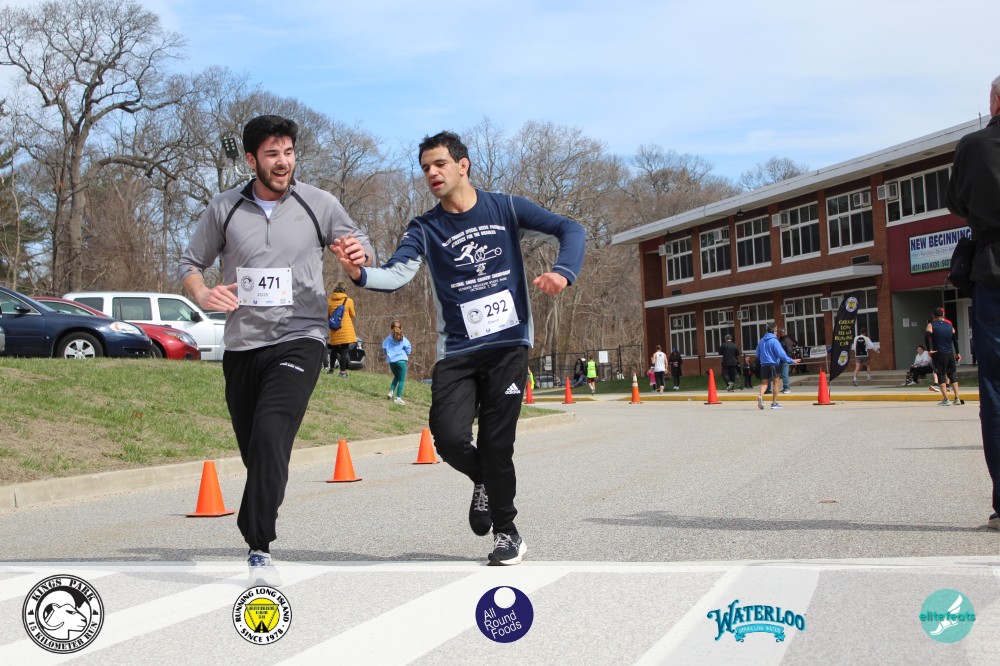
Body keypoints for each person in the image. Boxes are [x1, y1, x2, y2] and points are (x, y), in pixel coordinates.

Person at [332, 131, 585, 565]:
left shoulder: (505, 208)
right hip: (458, 352)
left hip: (507, 346)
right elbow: (396, 274)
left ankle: (507, 533)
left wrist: (563, 272)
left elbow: (570, 228)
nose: (432, 173)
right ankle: (484, 478)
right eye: (425, 168)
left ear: (463, 165)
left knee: (497, 443)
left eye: (440, 164)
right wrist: (359, 275)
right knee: (449, 438)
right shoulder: (425, 228)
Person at [178, 114, 374, 586]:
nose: (283, 162)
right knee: (258, 451)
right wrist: (203, 293)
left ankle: (258, 545)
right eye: (272, 154)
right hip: (243, 345)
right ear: (252, 160)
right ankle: (259, 526)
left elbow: (359, 243)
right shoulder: (224, 208)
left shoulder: (317, 203)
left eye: (288, 152)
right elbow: (190, 263)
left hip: (300, 337)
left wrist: (357, 256)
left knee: (270, 433)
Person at [947, 75, 1000, 529]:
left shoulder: (974, 147)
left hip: (993, 269)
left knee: (996, 389)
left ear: (995, 101)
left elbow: (956, 202)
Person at [755, 322, 800, 410]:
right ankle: (774, 403)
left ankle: (760, 396)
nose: (776, 333)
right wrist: (791, 360)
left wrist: (763, 358)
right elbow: (781, 354)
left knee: (764, 384)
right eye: (776, 331)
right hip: (774, 365)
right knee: (776, 384)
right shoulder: (775, 341)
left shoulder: (762, 340)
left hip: (764, 365)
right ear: (774, 332)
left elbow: (757, 353)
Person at [926, 307, 964, 407]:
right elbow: (954, 339)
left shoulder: (931, 325)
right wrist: (957, 353)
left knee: (941, 375)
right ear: (942, 315)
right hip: (949, 353)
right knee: (952, 375)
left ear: (933, 316)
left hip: (938, 353)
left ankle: (946, 399)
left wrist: (929, 350)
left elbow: (926, 336)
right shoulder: (949, 326)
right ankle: (957, 398)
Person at [327, 282, 358, 378]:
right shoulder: (349, 301)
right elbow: (353, 315)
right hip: (345, 330)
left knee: (334, 350)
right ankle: (342, 372)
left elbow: (327, 316)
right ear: (344, 290)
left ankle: (331, 370)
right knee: (344, 351)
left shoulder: (329, 301)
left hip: (334, 329)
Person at [382, 319, 411, 405]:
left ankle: (391, 392)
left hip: (392, 362)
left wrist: (389, 353)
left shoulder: (388, 339)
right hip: (401, 361)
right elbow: (408, 348)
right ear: (401, 328)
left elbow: (384, 348)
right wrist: (406, 354)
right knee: (402, 380)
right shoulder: (403, 338)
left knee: (396, 377)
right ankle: (398, 398)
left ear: (391, 328)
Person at [778, 327, 796, 393]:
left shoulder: (787, 340)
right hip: (781, 359)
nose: (782, 334)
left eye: (783, 332)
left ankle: (787, 388)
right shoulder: (780, 340)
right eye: (781, 332)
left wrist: (787, 358)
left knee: (785, 374)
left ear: (785, 333)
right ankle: (785, 387)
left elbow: (789, 350)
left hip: (785, 359)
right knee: (783, 374)